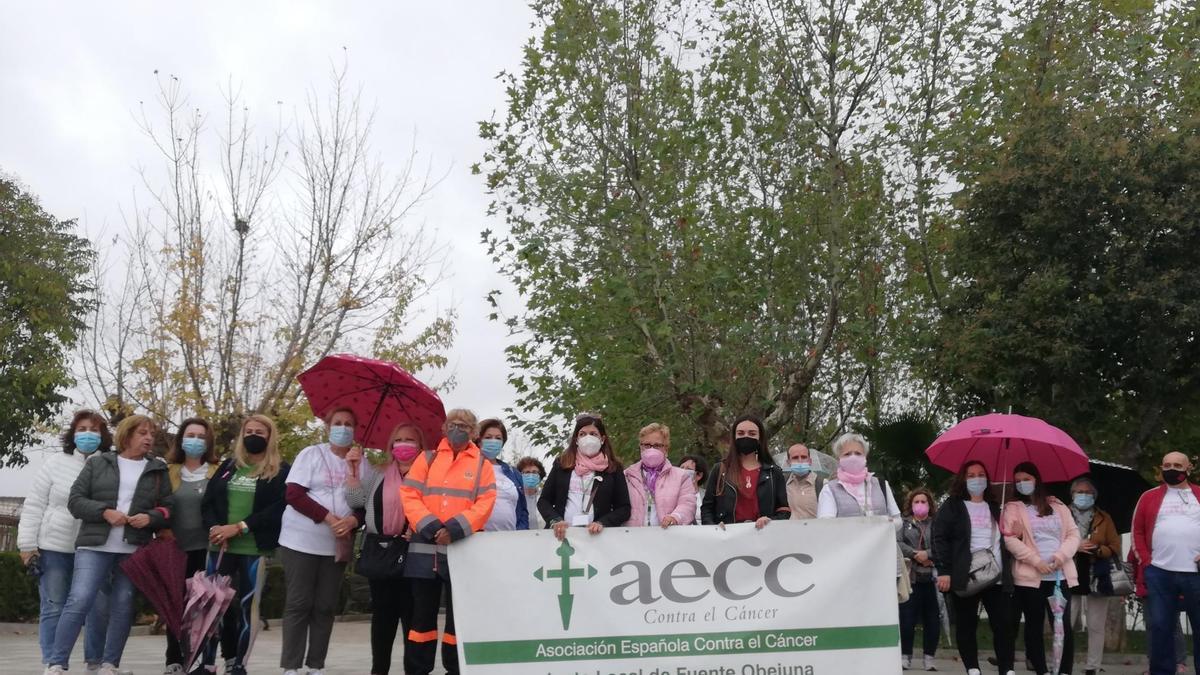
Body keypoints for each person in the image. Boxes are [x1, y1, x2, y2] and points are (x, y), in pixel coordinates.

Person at [47, 415, 174, 675]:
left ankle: (109, 665)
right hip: (94, 545)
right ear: (126, 436)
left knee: (123, 605)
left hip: (134, 548)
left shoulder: (158, 469)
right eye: (142, 433)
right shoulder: (99, 463)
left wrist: (150, 517)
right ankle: (56, 664)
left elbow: (169, 507)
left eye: (151, 433)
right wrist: (105, 512)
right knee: (79, 599)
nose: (149, 438)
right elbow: (76, 500)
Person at [400, 409, 498, 675]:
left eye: (465, 425)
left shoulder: (482, 466)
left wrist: (454, 529)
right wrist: (432, 527)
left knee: (459, 621)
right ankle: (417, 669)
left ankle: (455, 669)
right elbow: (409, 494)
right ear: (444, 428)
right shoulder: (427, 459)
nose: (459, 428)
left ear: (474, 433)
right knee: (421, 619)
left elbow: (485, 504)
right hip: (425, 552)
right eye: (454, 424)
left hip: (461, 552)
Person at [278, 407, 375, 675]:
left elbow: (364, 505)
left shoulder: (362, 463)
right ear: (327, 427)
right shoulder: (311, 454)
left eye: (348, 424)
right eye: (337, 423)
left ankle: (315, 665)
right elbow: (294, 495)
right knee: (299, 603)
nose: (342, 428)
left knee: (325, 605)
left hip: (337, 545)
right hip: (301, 541)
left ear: (355, 429)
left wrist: (353, 521)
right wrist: (330, 519)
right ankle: (291, 666)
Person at [19, 410, 111, 673]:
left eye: (94, 430)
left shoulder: (109, 463)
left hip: (94, 547)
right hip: (54, 547)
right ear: (73, 433)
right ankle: (53, 662)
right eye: (82, 429)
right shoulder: (55, 463)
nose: (87, 435)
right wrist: (27, 545)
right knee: (54, 605)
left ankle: (94, 661)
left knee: (96, 606)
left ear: (103, 435)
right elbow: (35, 504)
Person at [200, 414, 290, 675]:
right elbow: (208, 502)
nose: (253, 435)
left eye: (259, 432)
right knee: (212, 607)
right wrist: (216, 528)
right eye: (248, 431)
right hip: (220, 547)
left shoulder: (281, 470)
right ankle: (207, 664)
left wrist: (240, 527)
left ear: (270, 436)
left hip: (254, 548)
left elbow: (278, 508)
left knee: (247, 609)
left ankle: (238, 665)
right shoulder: (229, 466)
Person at [346, 422, 424, 675]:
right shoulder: (378, 473)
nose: (404, 444)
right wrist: (354, 471)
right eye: (398, 439)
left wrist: (420, 526)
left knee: (411, 617)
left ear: (420, 445)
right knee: (382, 618)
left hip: (414, 553)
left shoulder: (428, 475)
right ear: (391, 445)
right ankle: (379, 669)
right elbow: (356, 502)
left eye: (410, 439)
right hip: (381, 551)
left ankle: (413, 669)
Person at [931, 460, 1015, 675]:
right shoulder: (953, 506)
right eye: (971, 475)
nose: (977, 478)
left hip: (996, 575)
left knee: (1003, 625)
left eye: (981, 474)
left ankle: (1006, 669)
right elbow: (938, 538)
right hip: (965, 574)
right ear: (963, 479)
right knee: (967, 624)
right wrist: (944, 571)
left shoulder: (997, 507)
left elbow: (1008, 538)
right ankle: (972, 668)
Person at [1002, 461, 1081, 675]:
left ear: (1037, 479)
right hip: (1030, 578)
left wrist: (1060, 556)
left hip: (1059, 576)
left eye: (1026, 479)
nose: (1022, 484)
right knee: (1034, 625)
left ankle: (1064, 670)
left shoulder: (1058, 506)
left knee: (1063, 625)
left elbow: (1074, 535)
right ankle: (1041, 669)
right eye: (1018, 481)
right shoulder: (1012, 508)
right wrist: (1036, 561)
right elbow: (1009, 539)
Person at [1131, 451, 1200, 675]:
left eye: (1177, 465)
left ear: (1188, 468)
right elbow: (1137, 531)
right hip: (1159, 572)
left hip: (1195, 573)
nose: (1172, 469)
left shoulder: (1198, 494)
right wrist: (1148, 563)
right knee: (1160, 627)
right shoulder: (1148, 497)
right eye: (1167, 465)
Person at [162, 416, 220, 675]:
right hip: (174, 550)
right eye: (190, 435)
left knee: (207, 606)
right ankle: (174, 659)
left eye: (201, 436)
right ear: (181, 439)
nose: (195, 440)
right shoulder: (168, 471)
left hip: (208, 549)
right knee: (175, 605)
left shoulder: (218, 471)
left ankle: (204, 661)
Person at [539, 414, 632, 540]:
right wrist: (555, 520)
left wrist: (602, 523)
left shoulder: (613, 468)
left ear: (602, 439)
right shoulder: (562, 464)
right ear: (576, 439)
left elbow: (623, 508)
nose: (588, 438)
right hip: (561, 537)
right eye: (582, 434)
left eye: (593, 434)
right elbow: (544, 501)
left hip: (597, 539)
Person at [1066, 477, 1121, 675]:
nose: (1083, 496)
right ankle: (1064, 664)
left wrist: (1098, 549)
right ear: (1072, 495)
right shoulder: (1061, 514)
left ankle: (1093, 666)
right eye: (1079, 492)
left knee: (1096, 624)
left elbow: (1115, 546)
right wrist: (1075, 546)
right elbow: (1052, 543)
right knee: (1066, 622)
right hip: (1068, 572)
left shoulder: (1104, 518)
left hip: (1097, 574)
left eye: (1087, 492)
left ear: (1094, 496)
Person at [700, 415, 789, 526]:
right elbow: (707, 508)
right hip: (727, 537)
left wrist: (770, 522)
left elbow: (784, 510)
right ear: (734, 437)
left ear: (760, 438)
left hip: (763, 537)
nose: (746, 437)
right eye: (741, 433)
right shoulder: (720, 470)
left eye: (752, 434)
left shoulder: (774, 472)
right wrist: (714, 529)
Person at [897, 487, 939, 671]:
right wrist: (915, 554)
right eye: (916, 502)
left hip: (932, 579)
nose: (920, 505)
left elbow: (943, 543)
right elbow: (897, 542)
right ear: (910, 504)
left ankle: (929, 658)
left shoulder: (937, 524)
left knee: (933, 620)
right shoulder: (903, 523)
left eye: (924, 502)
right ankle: (905, 656)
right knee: (907, 620)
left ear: (930, 505)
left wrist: (928, 554)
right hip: (911, 578)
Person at [623, 423, 696, 527]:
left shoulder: (681, 477)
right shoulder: (627, 475)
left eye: (657, 445)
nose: (651, 449)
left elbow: (688, 504)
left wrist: (675, 517)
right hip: (633, 537)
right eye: (647, 445)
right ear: (640, 447)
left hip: (667, 536)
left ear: (666, 449)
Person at [817, 433, 900, 521]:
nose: (853, 457)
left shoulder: (881, 485)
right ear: (839, 459)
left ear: (865, 457)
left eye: (858, 453)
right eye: (847, 454)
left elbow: (897, 520)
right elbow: (826, 524)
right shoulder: (830, 489)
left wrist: (888, 523)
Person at [477, 418, 529, 531]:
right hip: (476, 539)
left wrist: (521, 533)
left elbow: (523, 511)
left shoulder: (513, 473)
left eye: (498, 438)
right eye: (488, 437)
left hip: (509, 540)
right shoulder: (468, 469)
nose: (493, 441)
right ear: (478, 440)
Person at [784, 443, 822, 520]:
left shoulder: (822, 484)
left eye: (804, 457)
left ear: (810, 461)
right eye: (795, 457)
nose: (800, 461)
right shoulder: (782, 484)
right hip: (789, 530)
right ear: (788, 462)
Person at [516, 457, 547, 530]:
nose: (531, 475)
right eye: (527, 472)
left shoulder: (546, 499)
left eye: (534, 472)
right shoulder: (515, 498)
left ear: (540, 476)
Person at [678, 454, 708, 524]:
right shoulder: (672, 495)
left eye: (688, 469)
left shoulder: (707, 496)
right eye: (681, 468)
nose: (683, 471)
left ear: (699, 475)